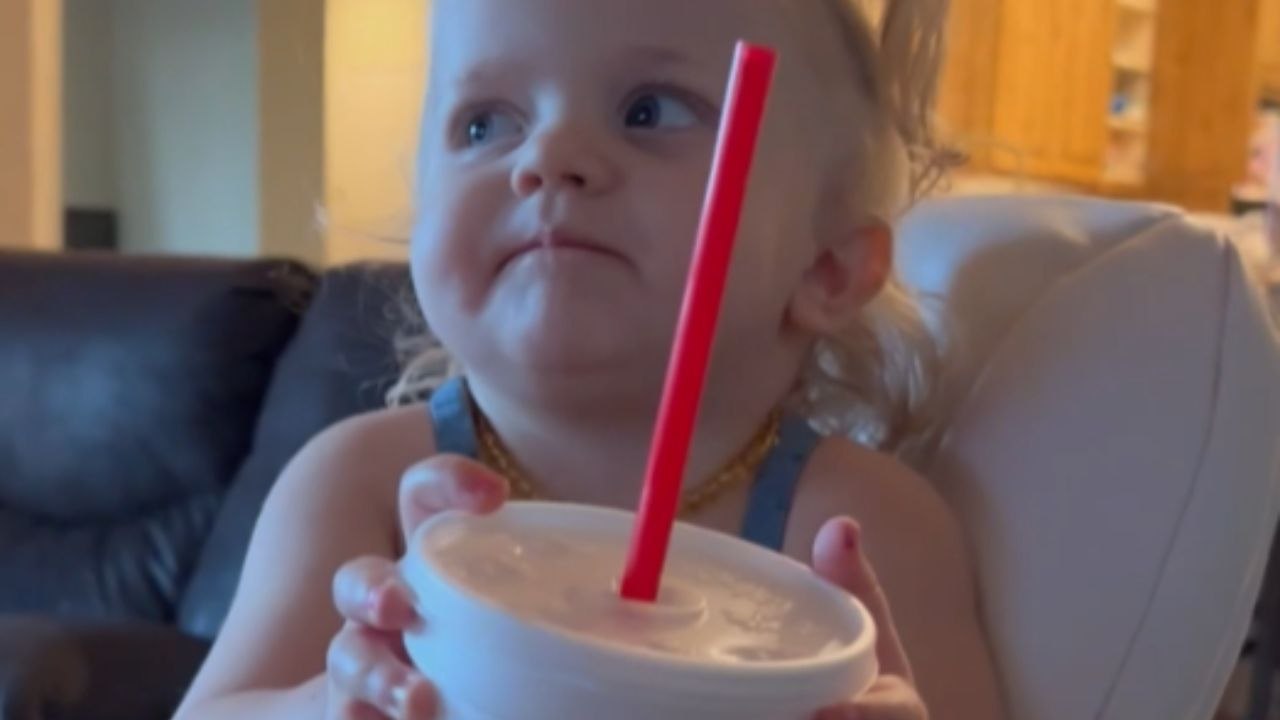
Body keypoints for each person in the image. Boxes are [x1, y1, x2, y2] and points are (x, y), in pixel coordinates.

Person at [174, 0, 1006, 717]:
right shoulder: (360, 486)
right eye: (484, 123)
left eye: (651, 111)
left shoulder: (856, 530)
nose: (546, 158)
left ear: (827, 269)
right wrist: (334, 702)